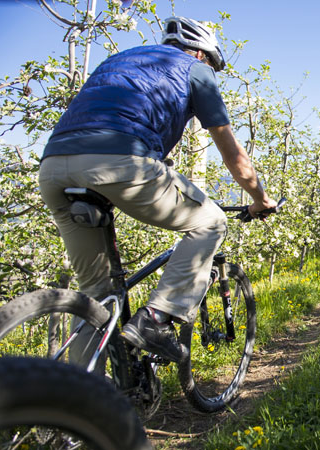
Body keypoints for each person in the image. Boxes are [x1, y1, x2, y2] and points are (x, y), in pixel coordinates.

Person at [38, 16, 276, 363]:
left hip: (53, 168)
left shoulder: (120, 60)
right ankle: (156, 320)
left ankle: (79, 401)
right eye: (211, 62)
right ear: (200, 54)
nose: (210, 68)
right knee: (209, 222)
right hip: (118, 162)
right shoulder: (196, 70)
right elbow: (233, 154)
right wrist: (260, 199)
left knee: (95, 295)